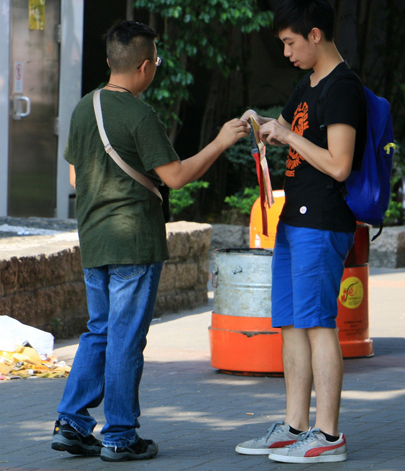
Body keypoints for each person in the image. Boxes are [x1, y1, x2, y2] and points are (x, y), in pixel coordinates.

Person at [51, 20, 248, 462]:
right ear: (144, 66)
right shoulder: (140, 115)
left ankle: (72, 422)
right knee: (124, 338)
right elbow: (175, 177)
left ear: (110, 61)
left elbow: (76, 177)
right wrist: (220, 142)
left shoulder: (84, 108)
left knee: (100, 330)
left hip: (94, 240)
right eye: (156, 60)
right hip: (135, 242)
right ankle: (120, 435)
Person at [235, 0, 366, 464]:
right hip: (293, 221)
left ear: (315, 34)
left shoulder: (342, 87)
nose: (287, 53)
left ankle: (327, 436)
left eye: (291, 43)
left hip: (322, 221)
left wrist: (289, 136)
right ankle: (294, 427)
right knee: (291, 323)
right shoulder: (307, 84)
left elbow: (339, 164)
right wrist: (263, 126)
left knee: (318, 325)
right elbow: (288, 128)